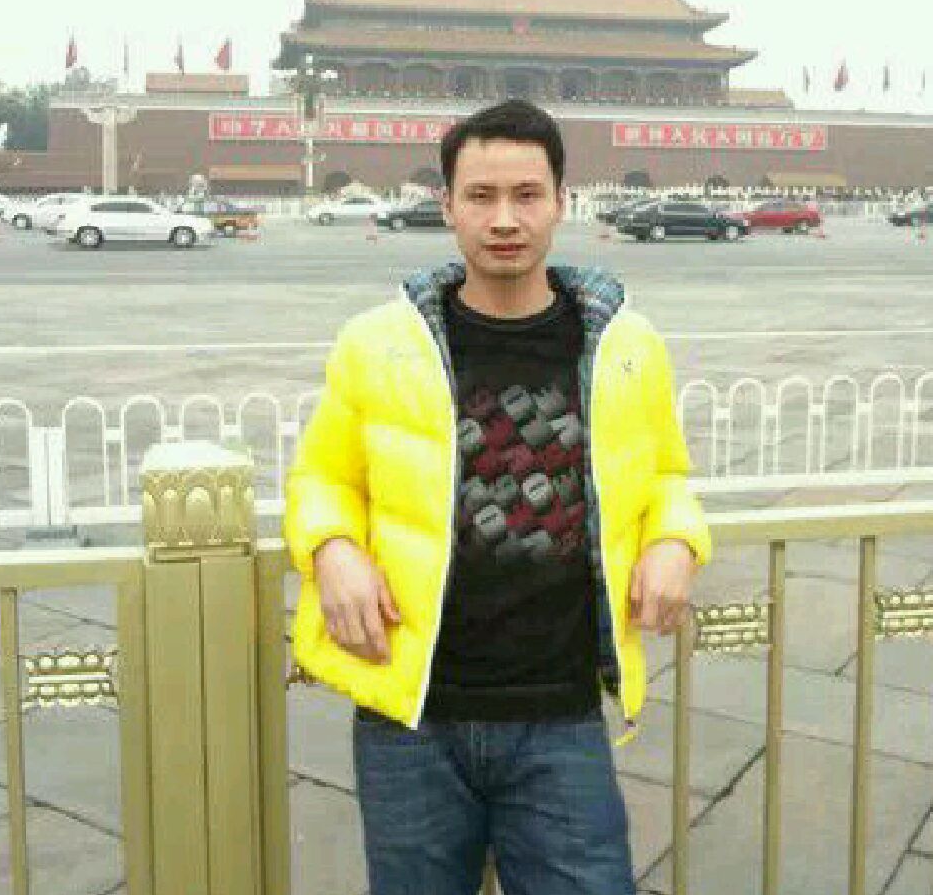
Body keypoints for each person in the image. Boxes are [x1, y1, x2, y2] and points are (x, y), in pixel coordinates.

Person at [283, 99, 711, 895]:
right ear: (447, 205)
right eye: (481, 196)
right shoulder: (378, 344)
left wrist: (674, 541)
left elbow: (668, 477)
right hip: (411, 711)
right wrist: (332, 548)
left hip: (561, 712)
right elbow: (322, 477)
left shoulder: (626, 346)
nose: (505, 219)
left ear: (561, 202)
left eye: (526, 194)